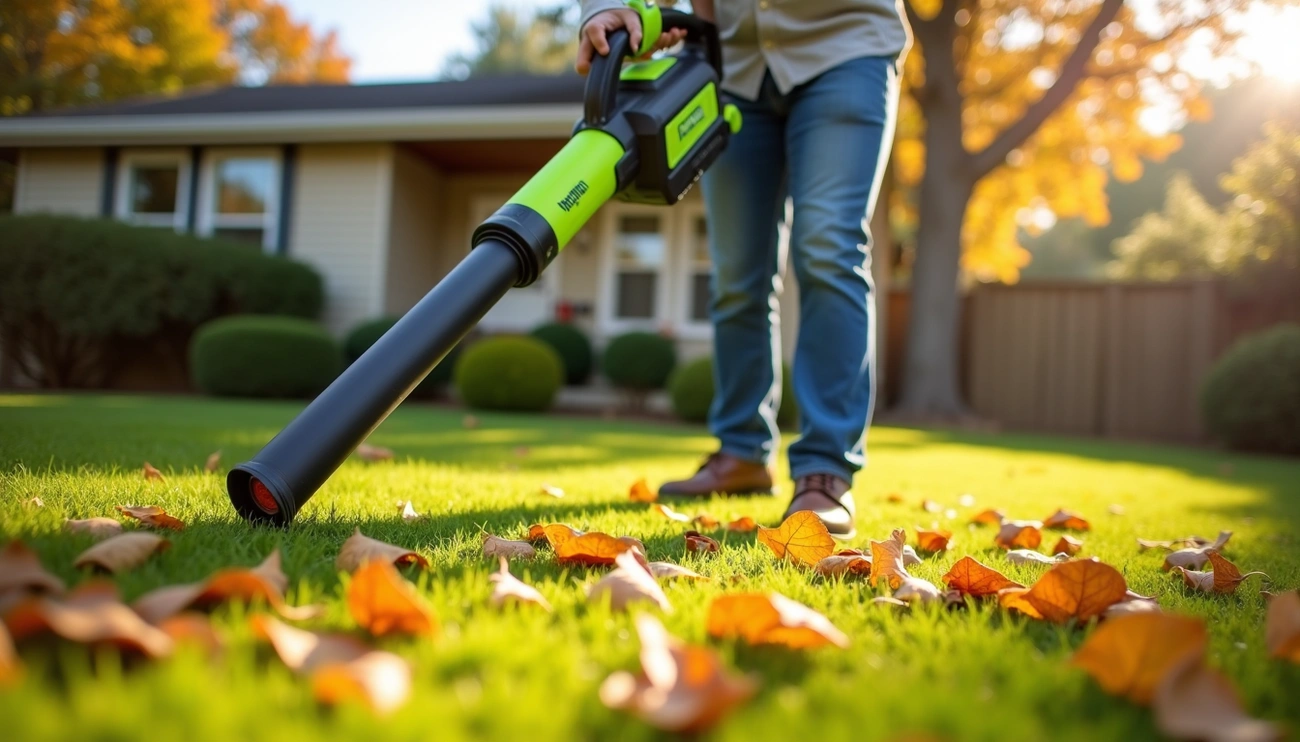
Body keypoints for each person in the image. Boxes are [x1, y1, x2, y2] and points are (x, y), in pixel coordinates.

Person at [576, 0, 908, 539]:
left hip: (845, 46)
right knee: (734, 274)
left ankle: (825, 470)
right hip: (731, 64)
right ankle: (742, 453)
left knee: (828, 245)